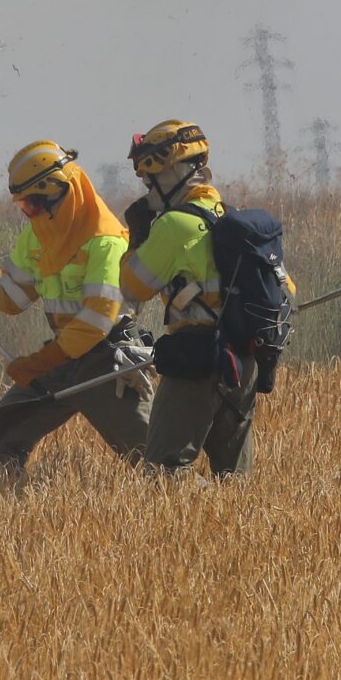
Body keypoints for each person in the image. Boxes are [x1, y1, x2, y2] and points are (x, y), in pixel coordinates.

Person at [0, 141, 150, 471]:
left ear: (59, 192)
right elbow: (14, 297)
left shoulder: (105, 241)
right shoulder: (38, 236)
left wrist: (42, 361)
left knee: (158, 462)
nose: (29, 214)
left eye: (33, 205)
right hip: (61, 358)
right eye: (24, 207)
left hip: (104, 361)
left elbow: (98, 318)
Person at [119, 120, 274, 476]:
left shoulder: (175, 225)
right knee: (234, 482)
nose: (147, 190)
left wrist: (138, 239)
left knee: (164, 472)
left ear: (172, 170)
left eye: (149, 179)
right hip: (245, 363)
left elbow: (132, 287)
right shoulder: (233, 218)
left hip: (196, 361)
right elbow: (285, 291)